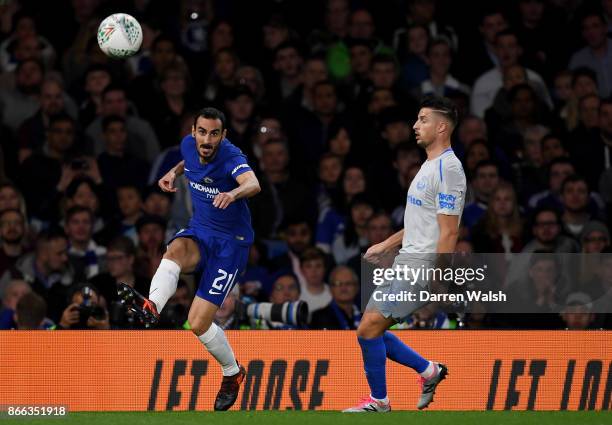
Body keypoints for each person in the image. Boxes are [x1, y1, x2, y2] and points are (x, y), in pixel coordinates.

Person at [118, 107, 260, 411]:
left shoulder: (231, 157)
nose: (206, 139)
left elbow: (253, 183)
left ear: (223, 136)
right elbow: (190, 162)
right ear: (193, 132)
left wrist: (234, 194)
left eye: (214, 133)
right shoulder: (187, 145)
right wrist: (174, 171)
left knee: (197, 323)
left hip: (230, 245)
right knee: (175, 250)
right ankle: (152, 305)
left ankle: (232, 373)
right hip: (201, 230)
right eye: (202, 132)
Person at [344, 96, 465, 412]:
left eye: (423, 119)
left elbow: (449, 230)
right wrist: (386, 244)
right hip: (404, 261)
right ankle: (429, 371)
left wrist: (440, 274)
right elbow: (420, 220)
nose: (415, 125)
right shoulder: (428, 165)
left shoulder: (450, 169)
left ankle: (379, 401)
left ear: (441, 127)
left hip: (421, 266)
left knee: (368, 329)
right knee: (373, 329)